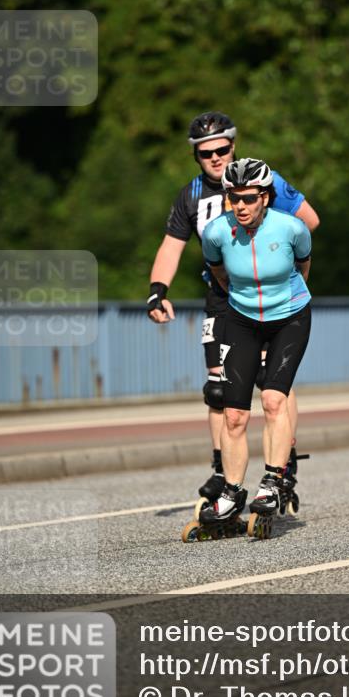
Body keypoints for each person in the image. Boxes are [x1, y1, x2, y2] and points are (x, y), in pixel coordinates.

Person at [146, 112, 319, 506]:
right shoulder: (190, 196)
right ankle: (223, 470)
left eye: (222, 149)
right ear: (196, 156)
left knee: (273, 384)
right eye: (206, 153)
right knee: (218, 389)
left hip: (271, 296)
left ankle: (283, 464)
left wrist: (273, 249)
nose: (215, 158)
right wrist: (157, 291)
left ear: (233, 146)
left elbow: (308, 221)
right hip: (222, 298)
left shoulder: (261, 180)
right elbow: (172, 245)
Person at [199, 158, 312, 524]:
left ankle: (274, 480)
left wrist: (281, 299)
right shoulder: (216, 233)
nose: (241, 206)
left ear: (264, 196)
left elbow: (303, 267)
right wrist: (243, 300)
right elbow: (218, 272)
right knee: (233, 414)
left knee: (273, 399)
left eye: (248, 198)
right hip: (243, 320)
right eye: (234, 198)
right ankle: (232, 493)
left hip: (290, 317)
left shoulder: (292, 228)